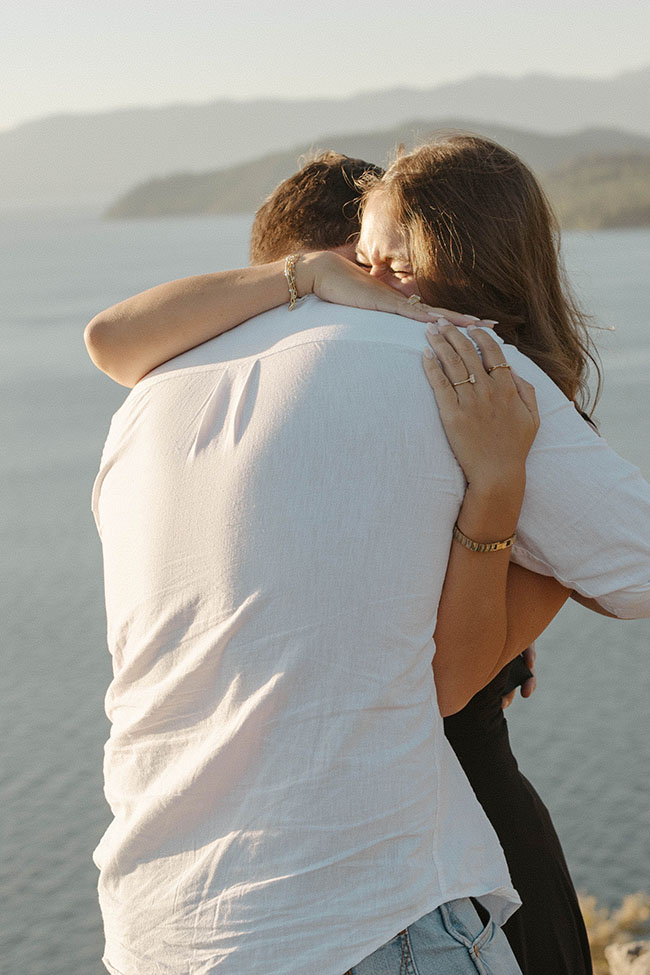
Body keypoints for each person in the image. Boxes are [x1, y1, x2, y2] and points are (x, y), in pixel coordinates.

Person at [85, 148, 650, 975]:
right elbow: (632, 568)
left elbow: (107, 337)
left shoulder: (152, 399)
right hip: (367, 913)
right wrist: (508, 499)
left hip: (158, 927)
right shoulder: (460, 362)